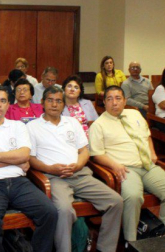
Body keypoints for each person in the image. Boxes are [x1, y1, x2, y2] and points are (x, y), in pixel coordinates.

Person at [28, 86, 123, 252]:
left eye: (59, 101)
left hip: (79, 174)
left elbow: (84, 151)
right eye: (50, 100)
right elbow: (31, 159)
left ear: (63, 104)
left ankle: (105, 249)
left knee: (115, 201)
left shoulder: (72, 122)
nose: (54, 104)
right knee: (64, 210)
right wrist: (51, 169)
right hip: (53, 178)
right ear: (42, 102)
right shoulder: (32, 126)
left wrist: (79, 165)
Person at [0, 85, 58, 252]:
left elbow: (24, 155)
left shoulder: (18, 127)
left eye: (3, 101)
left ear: (9, 104)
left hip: (19, 182)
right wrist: (15, 159)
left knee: (50, 212)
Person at [90, 86, 165, 243]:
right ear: (104, 102)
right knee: (133, 197)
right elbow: (96, 154)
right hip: (125, 169)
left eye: (118, 98)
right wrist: (114, 165)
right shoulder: (98, 125)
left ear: (125, 101)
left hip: (146, 165)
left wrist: (152, 153)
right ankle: (131, 242)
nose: (114, 102)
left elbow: (147, 136)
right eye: (109, 99)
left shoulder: (135, 114)